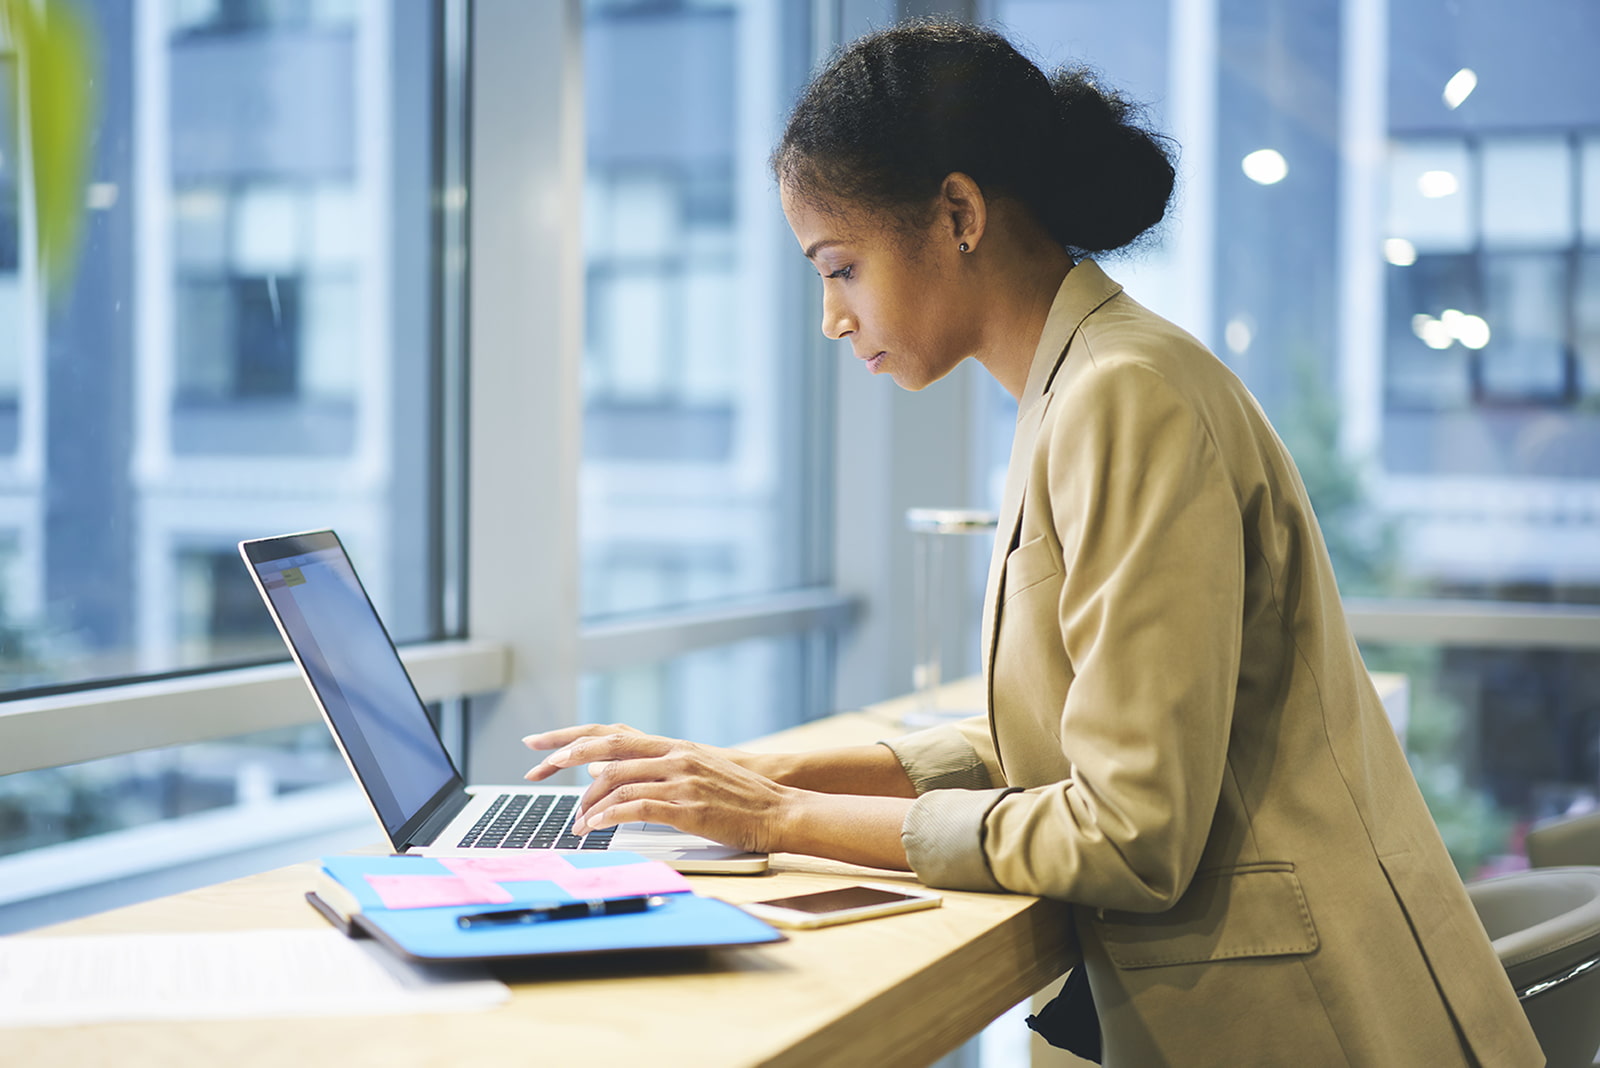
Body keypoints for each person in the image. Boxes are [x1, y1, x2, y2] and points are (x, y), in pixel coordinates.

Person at [523, 20, 1541, 1067]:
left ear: (958, 213)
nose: (832, 318)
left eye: (841, 268)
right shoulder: (1082, 382)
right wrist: (740, 774)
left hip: (1309, 1023)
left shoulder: (1124, 396)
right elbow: (1054, 737)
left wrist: (781, 817)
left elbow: (1127, 833)